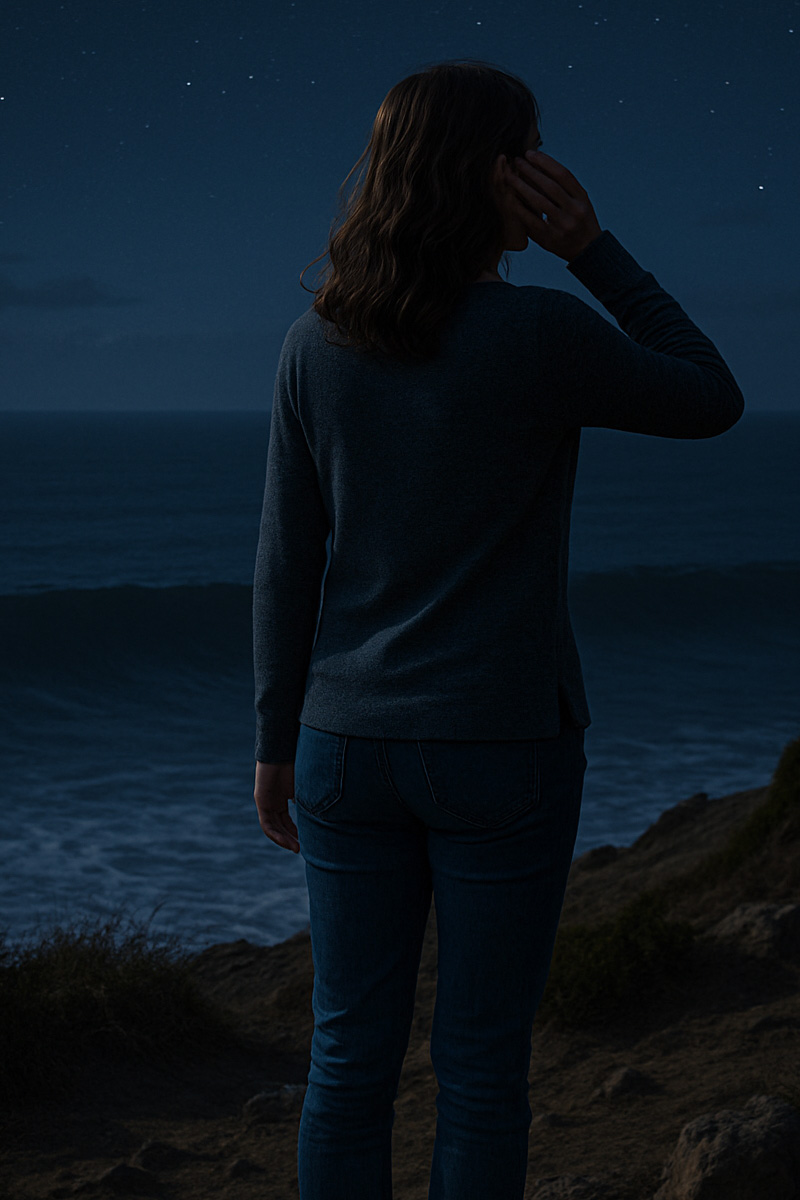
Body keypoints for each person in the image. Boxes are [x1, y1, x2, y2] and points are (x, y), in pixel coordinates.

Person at [251, 59, 744, 1200]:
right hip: (497, 743)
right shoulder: (537, 334)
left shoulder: (309, 346)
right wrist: (591, 248)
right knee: (476, 1070)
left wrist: (274, 740)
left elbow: (286, 563)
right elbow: (708, 395)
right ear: (498, 176)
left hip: (341, 748)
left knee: (345, 1062)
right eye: (528, 151)